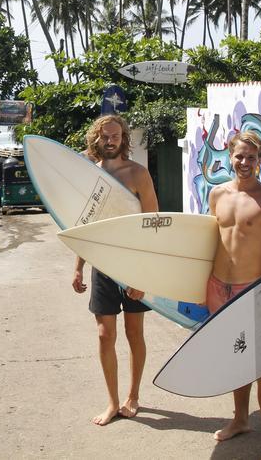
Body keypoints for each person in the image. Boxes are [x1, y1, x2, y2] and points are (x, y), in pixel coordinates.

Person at [71, 115, 158, 426]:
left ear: (123, 139)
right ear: (97, 138)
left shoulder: (138, 174)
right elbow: (85, 224)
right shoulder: (90, 175)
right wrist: (79, 265)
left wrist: (143, 276)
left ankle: (133, 395)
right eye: (105, 136)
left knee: (135, 334)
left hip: (134, 264)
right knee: (105, 335)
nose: (110, 141)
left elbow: (153, 225)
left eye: (115, 136)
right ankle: (111, 402)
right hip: (103, 266)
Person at [206, 130, 261, 460]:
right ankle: (240, 419)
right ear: (230, 156)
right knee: (234, 360)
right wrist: (201, 288)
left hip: (250, 289)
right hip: (217, 287)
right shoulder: (216, 194)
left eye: (251, 157)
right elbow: (208, 243)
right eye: (239, 156)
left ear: (259, 160)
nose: (244, 163)